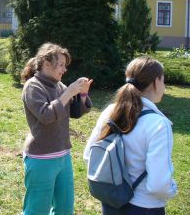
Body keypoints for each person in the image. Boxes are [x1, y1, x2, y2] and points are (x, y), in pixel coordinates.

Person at [83, 57, 177, 215]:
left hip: (112, 203)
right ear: (156, 82)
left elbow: (89, 156)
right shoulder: (159, 124)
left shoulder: (109, 111)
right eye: (163, 80)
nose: (164, 86)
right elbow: (158, 185)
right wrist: (172, 188)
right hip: (146, 207)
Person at [21, 43, 92, 215]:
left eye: (65, 65)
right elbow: (46, 115)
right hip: (41, 159)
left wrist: (82, 94)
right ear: (46, 64)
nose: (64, 70)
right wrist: (68, 92)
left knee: (65, 209)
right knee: (37, 210)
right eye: (61, 65)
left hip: (63, 156)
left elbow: (74, 112)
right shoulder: (33, 86)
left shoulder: (59, 86)